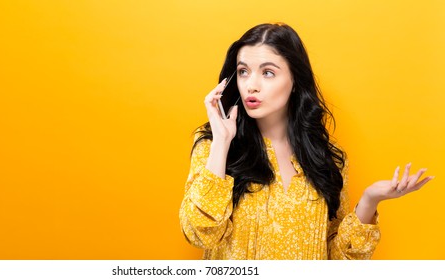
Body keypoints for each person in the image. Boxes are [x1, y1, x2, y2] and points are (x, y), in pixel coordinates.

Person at [178, 23, 434, 260]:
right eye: (243, 71)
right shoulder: (214, 147)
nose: (251, 85)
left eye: (268, 73)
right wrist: (223, 141)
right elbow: (200, 234)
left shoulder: (326, 158)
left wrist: (370, 200)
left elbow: (337, 258)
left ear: (295, 81)